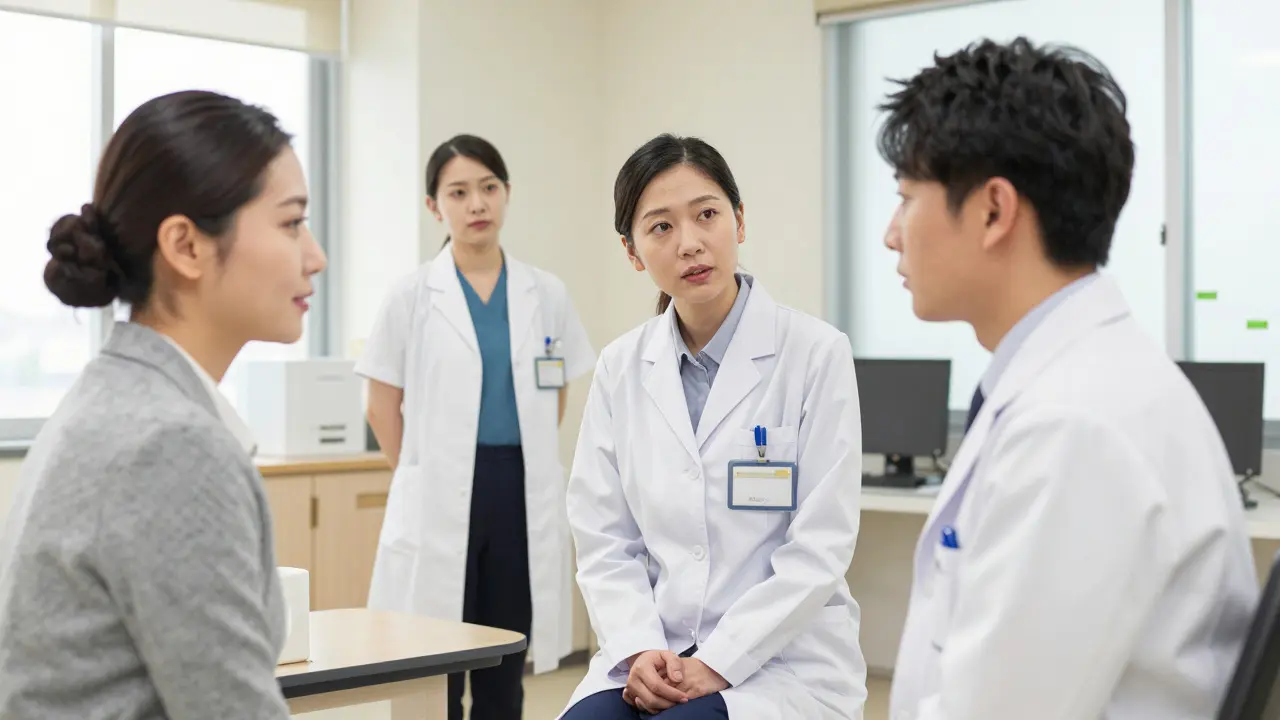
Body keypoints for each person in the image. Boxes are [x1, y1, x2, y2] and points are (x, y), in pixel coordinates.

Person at [881, 37, 1258, 719]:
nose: (890, 234)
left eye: (907, 198)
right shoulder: (1075, 387)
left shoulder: (1076, 425)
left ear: (994, 211)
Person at [0, 90, 326, 718]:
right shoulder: (169, 445)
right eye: (291, 223)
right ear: (186, 245)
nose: (315, 256)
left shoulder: (114, 399)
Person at [560, 134, 868, 720]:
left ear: (739, 220)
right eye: (661, 228)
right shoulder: (621, 367)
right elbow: (604, 539)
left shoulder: (815, 353)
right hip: (656, 649)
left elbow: (820, 546)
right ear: (632, 252)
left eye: (706, 214)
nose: (690, 243)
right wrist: (639, 646)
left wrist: (720, 660)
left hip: (782, 659)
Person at [357, 134, 595, 720]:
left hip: (517, 488)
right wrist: (415, 474)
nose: (476, 204)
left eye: (488, 188)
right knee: (436, 657)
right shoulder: (411, 295)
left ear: (507, 194)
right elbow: (380, 404)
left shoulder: (547, 293)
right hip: (437, 490)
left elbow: (554, 393)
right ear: (434, 206)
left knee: (503, 653)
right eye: (458, 192)